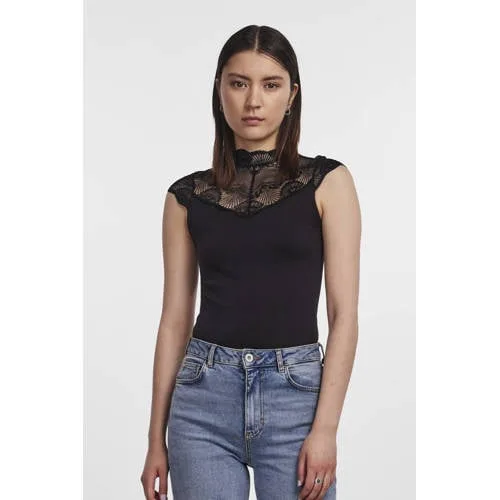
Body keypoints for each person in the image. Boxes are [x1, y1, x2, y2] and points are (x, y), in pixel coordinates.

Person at [141, 24, 361, 500]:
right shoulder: (186, 196)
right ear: (219, 91)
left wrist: (326, 429)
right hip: (201, 401)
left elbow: (343, 316)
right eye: (239, 83)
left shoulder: (328, 183)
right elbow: (175, 320)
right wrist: (155, 439)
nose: (253, 101)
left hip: (295, 400)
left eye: (271, 84)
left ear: (292, 95)